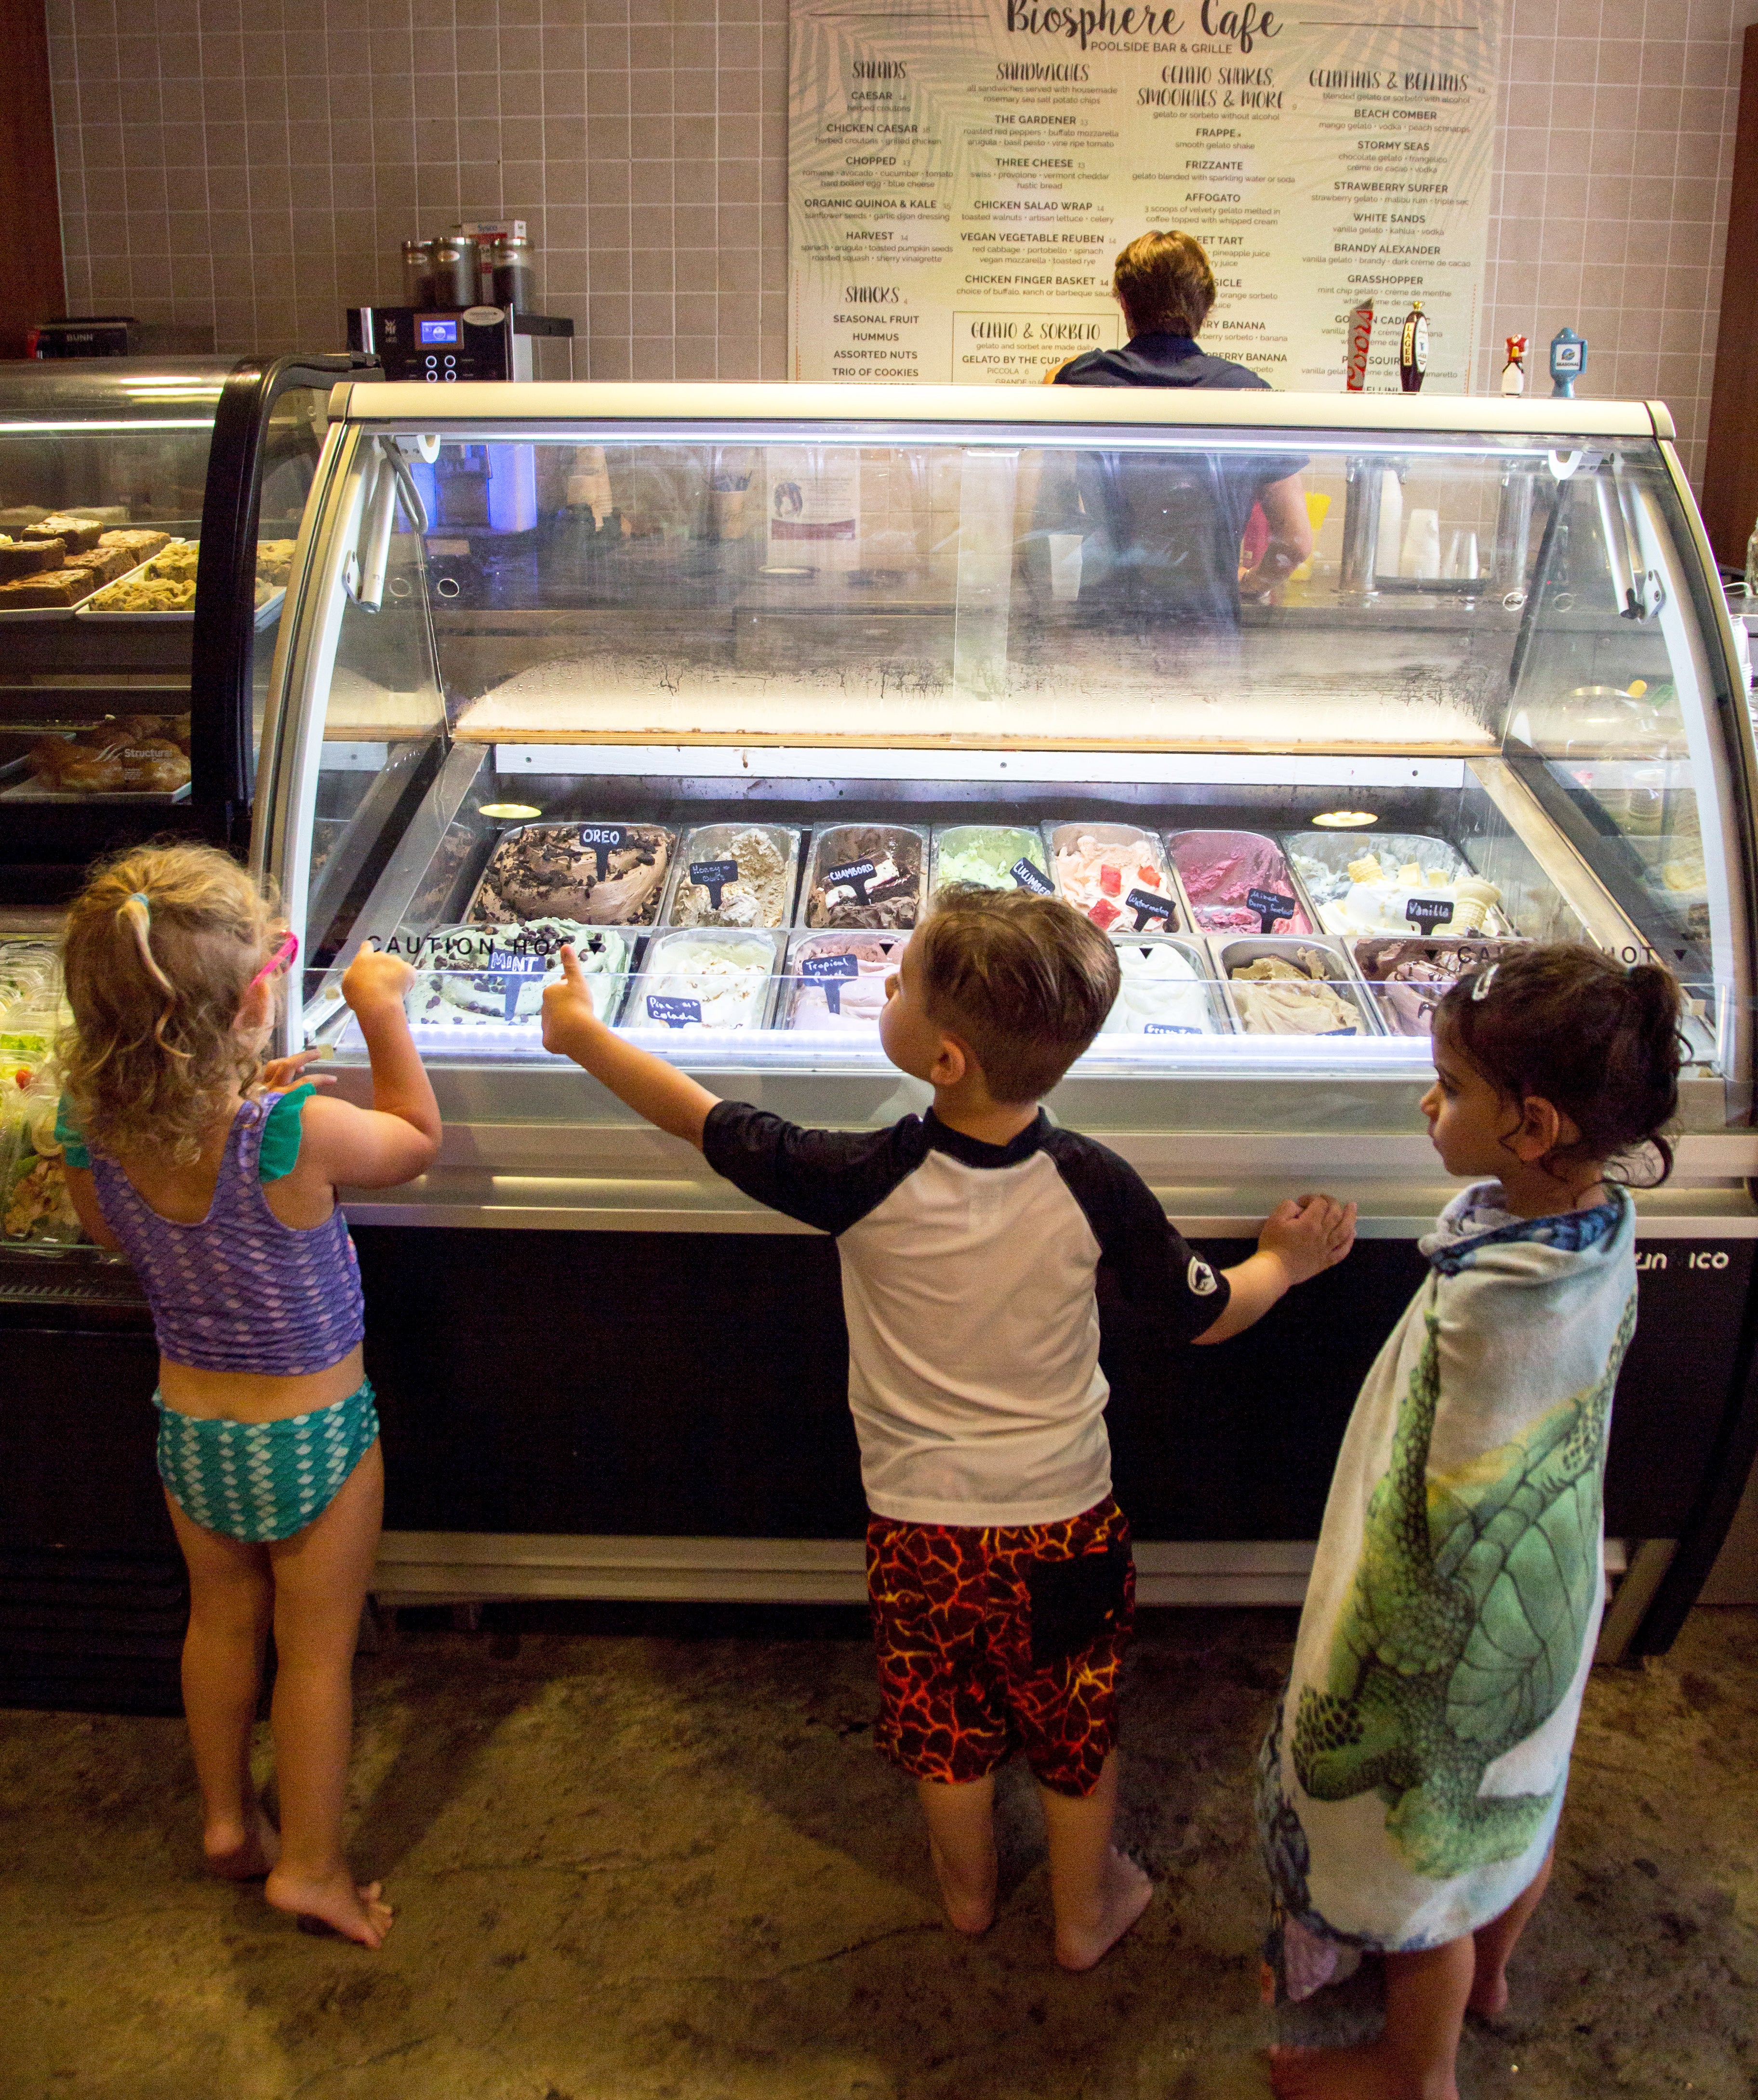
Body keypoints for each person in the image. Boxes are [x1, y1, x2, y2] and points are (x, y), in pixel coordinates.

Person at [541, 883, 1356, 1969]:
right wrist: (1287, 1262)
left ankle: (969, 1895)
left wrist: (585, 1036)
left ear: (947, 1061)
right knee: (1074, 1726)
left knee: (947, 1724)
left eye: (903, 980)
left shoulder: (860, 1175)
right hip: (1067, 1524)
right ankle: (1083, 1911)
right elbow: (1206, 1312)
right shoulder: (1094, 1182)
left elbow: (704, 1122)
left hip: (920, 1533)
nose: (884, 981)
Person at [1257, 945, 1684, 2099]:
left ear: (1530, 1125)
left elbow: (1437, 1520)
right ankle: (1489, 1967)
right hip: (1549, 1604)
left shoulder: (1498, 1311)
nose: (1425, 1100)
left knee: (1418, 1870)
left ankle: (1416, 2061)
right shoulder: (1597, 1225)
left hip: (1445, 1657)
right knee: (1520, 1806)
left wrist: (1365, 1644)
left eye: (1448, 1087)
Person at [55, 843, 441, 1949]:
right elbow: (414, 1141)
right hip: (313, 1434)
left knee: (220, 1620)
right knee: (317, 1655)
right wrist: (378, 1009)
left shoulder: (92, 1129)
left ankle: (229, 1821)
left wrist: (225, 1094)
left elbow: (107, 1230)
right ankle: (312, 1866)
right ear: (259, 998)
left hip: (191, 1430)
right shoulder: (289, 1131)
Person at [1046, 229, 1312, 616]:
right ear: (1207, 305)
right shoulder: (1249, 396)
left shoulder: (1079, 380)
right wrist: (1250, 585)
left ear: (1124, 302)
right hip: (1205, 625)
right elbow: (1295, 542)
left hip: (1107, 622)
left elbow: (1039, 510)